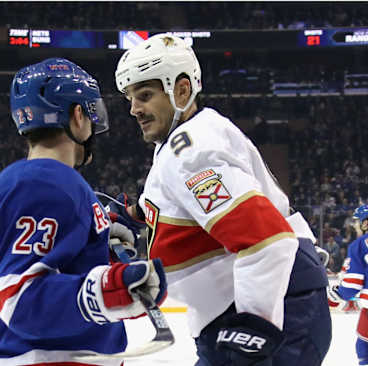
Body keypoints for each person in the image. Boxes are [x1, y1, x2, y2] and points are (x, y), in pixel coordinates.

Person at [114, 33, 331, 366]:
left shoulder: (192, 152)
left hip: (274, 312)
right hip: (240, 309)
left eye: (144, 95)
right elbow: (186, 207)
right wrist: (134, 214)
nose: (134, 110)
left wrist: (254, 329)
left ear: (182, 90)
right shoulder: (183, 139)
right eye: (130, 98)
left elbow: (266, 239)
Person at [0, 58, 167, 366]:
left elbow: (56, 266)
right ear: (78, 115)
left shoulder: (35, 180)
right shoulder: (42, 182)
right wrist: (113, 287)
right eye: (90, 113)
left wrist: (100, 243)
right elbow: (19, 299)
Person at [328, 204, 368, 365]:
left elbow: (353, 283)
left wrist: (337, 295)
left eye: (357, 223)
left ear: (366, 223)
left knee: (364, 348)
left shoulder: (360, 244)